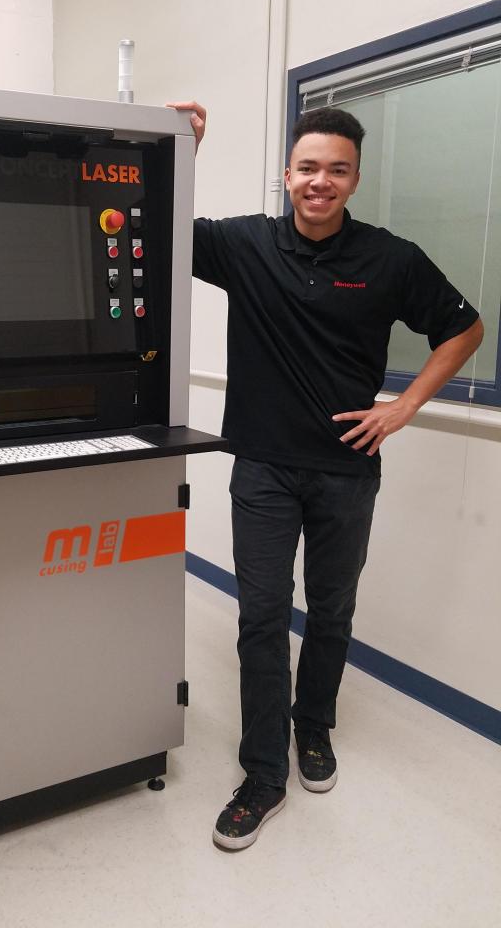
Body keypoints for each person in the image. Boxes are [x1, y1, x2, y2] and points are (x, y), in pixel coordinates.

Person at [169, 101, 484, 851]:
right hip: (264, 470)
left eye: (337, 170)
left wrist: (404, 406)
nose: (321, 182)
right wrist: (188, 150)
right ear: (287, 174)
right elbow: (163, 228)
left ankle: (313, 726)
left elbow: (465, 327)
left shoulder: (390, 259)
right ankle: (263, 774)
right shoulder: (244, 244)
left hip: (347, 471)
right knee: (262, 617)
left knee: (333, 612)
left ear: (354, 179)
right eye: (308, 167)